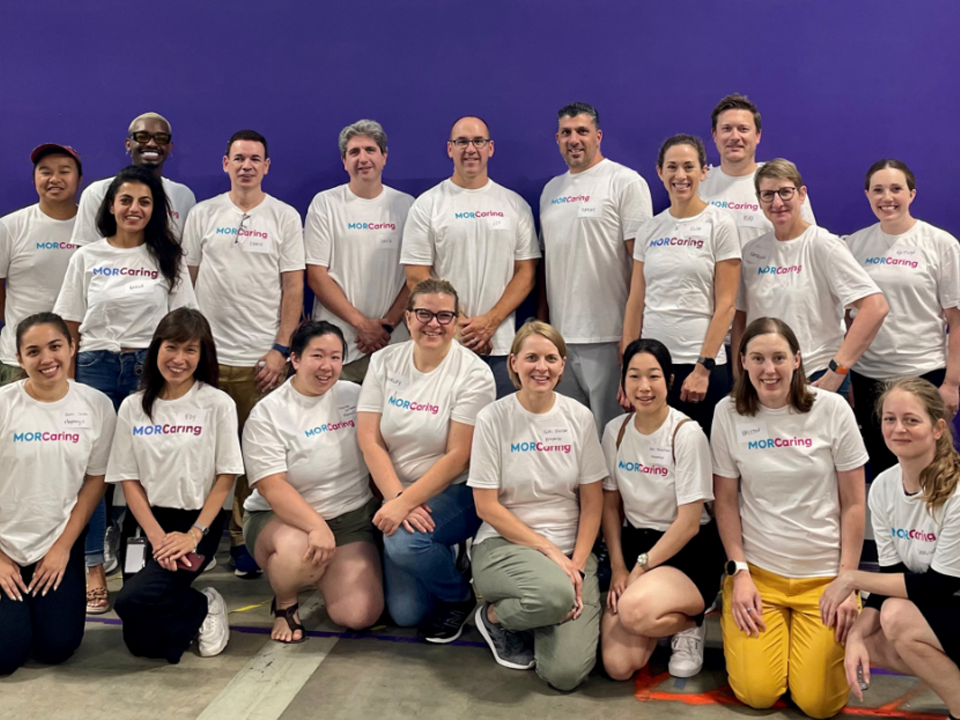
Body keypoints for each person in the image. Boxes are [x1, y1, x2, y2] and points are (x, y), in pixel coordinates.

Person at [54, 164, 196, 613]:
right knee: (91, 474)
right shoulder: (87, 257)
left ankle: (145, 560)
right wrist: (68, 382)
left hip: (147, 370)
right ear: (111, 206)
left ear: (155, 211)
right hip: (95, 366)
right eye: (126, 200)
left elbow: (184, 326)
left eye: (145, 202)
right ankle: (94, 565)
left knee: (145, 469)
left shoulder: (167, 258)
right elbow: (69, 327)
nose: (135, 208)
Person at [712, 317, 868, 719]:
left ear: (797, 360)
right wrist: (740, 572)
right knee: (758, 693)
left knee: (819, 704)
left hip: (824, 581)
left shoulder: (831, 410)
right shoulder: (727, 414)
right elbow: (725, 502)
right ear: (742, 362)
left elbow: (853, 502)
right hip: (759, 577)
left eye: (779, 357)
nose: (770, 370)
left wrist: (847, 581)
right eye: (759, 358)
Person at [183, 129, 305, 579]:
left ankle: (249, 535)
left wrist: (279, 348)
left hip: (262, 362)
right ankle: (213, 536)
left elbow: (294, 287)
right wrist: (193, 351)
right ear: (225, 163)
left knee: (260, 459)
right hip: (210, 360)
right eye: (239, 158)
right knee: (212, 457)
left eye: (256, 158)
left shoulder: (285, 217)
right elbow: (187, 282)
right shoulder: (202, 214)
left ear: (267, 166)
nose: (247, 165)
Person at [468, 320, 605, 691]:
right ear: (513, 363)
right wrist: (549, 552)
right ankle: (495, 617)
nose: (540, 367)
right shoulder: (493, 418)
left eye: (549, 358)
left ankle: (540, 608)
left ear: (562, 365)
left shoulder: (579, 417)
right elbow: (486, 506)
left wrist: (575, 564)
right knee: (554, 594)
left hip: (569, 553)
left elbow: (593, 501)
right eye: (530, 358)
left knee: (564, 675)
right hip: (503, 545)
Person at [357, 278, 495, 642]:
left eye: (444, 316)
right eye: (424, 313)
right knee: (407, 614)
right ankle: (440, 554)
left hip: (455, 490)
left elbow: (458, 454)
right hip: (397, 493)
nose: (433, 323)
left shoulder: (474, 373)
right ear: (407, 317)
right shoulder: (385, 361)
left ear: (455, 320)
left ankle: (458, 594)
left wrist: (404, 503)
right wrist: (394, 498)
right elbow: (369, 439)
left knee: (404, 543)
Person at [819, 378, 960, 720]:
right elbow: (891, 578)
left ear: (938, 428)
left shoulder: (956, 492)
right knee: (861, 638)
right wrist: (854, 635)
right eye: (889, 419)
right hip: (940, 613)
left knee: (896, 617)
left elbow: (940, 584)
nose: (898, 429)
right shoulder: (883, 485)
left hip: (949, 602)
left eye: (911, 420)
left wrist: (852, 579)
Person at [109, 308, 242, 663]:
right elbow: (129, 479)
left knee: (130, 600)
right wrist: (155, 537)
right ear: (156, 350)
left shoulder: (217, 404)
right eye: (171, 347)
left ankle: (204, 603)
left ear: (203, 355)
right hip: (145, 524)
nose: (179, 359)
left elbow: (225, 477)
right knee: (141, 643)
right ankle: (196, 605)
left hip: (196, 524)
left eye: (190, 350)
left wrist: (193, 534)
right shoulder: (133, 407)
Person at [242, 321, 383, 643]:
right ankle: (286, 602)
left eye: (335, 357)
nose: (327, 366)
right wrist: (316, 526)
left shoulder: (355, 395)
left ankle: (327, 573)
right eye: (317, 356)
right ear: (294, 359)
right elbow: (272, 487)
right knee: (297, 553)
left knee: (359, 615)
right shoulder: (269, 413)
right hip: (284, 521)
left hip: (350, 518)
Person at [600, 339, 723, 681]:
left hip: (686, 551)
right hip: (636, 546)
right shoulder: (616, 431)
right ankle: (655, 612)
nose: (644, 387)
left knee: (634, 611)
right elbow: (610, 506)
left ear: (669, 381)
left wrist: (639, 569)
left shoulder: (686, 434)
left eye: (653, 376)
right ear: (623, 382)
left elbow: (688, 524)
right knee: (618, 666)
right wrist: (619, 566)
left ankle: (691, 622)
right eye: (634, 376)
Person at [0, 313, 116, 675]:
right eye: (33, 351)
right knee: (6, 655)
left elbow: (96, 480)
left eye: (55, 346)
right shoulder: (4, 404)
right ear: (19, 359)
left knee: (57, 648)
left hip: (55, 543)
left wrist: (63, 547)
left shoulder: (97, 405)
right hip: (4, 545)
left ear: (72, 347)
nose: (46, 359)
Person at [401, 115, 540, 398]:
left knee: (498, 435)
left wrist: (490, 321)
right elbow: (416, 276)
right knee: (442, 435)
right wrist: (458, 326)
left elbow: (526, 273)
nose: (470, 149)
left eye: (478, 141)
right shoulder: (428, 205)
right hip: (443, 346)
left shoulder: (515, 205)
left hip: (501, 349)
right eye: (462, 142)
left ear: (490, 148)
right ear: (449, 149)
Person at [539, 102, 653, 432]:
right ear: (557, 139)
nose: (574, 139)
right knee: (570, 437)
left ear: (598, 136)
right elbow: (549, 266)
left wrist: (632, 336)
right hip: (560, 341)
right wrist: (546, 329)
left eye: (582, 131)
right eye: (566, 133)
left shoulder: (625, 183)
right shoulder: (551, 192)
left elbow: (643, 265)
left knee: (614, 435)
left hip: (609, 336)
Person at [732, 159, 889, 394]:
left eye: (785, 192)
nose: (777, 202)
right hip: (765, 378)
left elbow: (875, 306)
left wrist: (837, 371)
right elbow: (742, 318)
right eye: (768, 194)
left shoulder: (823, 244)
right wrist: (740, 376)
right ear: (759, 200)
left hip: (815, 376)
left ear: (801, 194)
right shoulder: (753, 251)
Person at [845, 160, 960, 475]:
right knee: (883, 471)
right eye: (878, 190)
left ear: (912, 193)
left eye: (896, 189)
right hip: (869, 379)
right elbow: (844, 316)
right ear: (867, 194)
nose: (887, 197)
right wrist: (847, 373)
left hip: (924, 374)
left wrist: (951, 383)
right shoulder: (853, 245)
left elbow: (957, 320)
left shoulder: (940, 244)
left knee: (932, 471)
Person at [623, 135, 740, 435]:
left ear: (703, 172)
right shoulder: (649, 229)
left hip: (700, 365)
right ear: (659, 172)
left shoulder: (720, 223)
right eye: (672, 167)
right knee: (656, 456)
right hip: (653, 367)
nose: (680, 175)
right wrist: (627, 373)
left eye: (689, 167)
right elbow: (636, 302)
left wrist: (703, 368)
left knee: (703, 459)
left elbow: (726, 305)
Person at [306, 120, 414, 383]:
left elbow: (416, 274)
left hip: (393, 343)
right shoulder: (325, 204)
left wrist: (386, 325)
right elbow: (317, 275)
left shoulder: (407, 205)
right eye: (354, 152)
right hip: (339, 347)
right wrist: (363, 325)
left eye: (370, 150)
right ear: (344, 161)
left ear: (384, 157)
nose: (362, 158)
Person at [0, 144, 83, 385]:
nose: (54, 179)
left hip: (79, 359)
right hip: (19, 362)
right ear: (35, 178)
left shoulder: (95, 229)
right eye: (45, 171)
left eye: (64, 171)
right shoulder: (9, 227)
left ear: (79, 179)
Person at [700, 93, 816, 246]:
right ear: (715, 135)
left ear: (757, 135)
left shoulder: (782, 183)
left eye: (743, 129)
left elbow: (809, 241)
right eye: (727, 129)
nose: (735, 137)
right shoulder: (699, 185)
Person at [71, 112, 196, 246]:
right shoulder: (97, 192)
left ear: (169, 147)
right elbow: (86, 255)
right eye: (142, 136)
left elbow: (186, 256)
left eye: (161, 138)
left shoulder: (183, 196)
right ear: (128, 144)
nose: (152, 144)